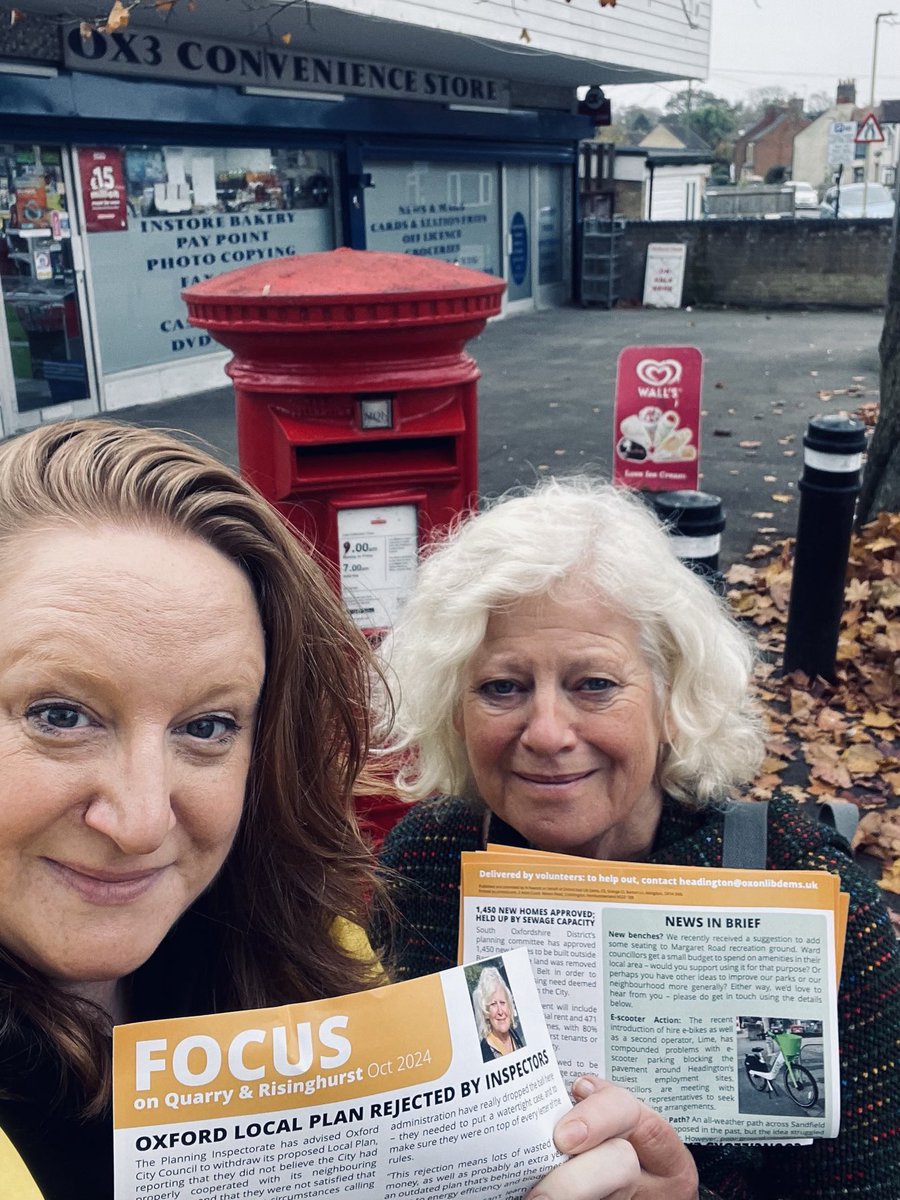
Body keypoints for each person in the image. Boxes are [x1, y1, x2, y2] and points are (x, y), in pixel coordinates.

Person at [0, 423, 672, 1200]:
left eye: (208, 727)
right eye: (58, 715)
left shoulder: (309, 954)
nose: (142, 821)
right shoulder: (417, 862)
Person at [375, 475, 900, 1200]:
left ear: (671, 697)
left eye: (594, 684)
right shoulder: (427, 865)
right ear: (454, 710)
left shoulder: (809, 895)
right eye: (502, 688)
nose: (548, 733)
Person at [471, 965, 524, 1061]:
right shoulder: (484, 1054)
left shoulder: (514, 1035)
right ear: (486, 1013)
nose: (500, 1011)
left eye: (502, 1002)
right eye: (493, 1004)